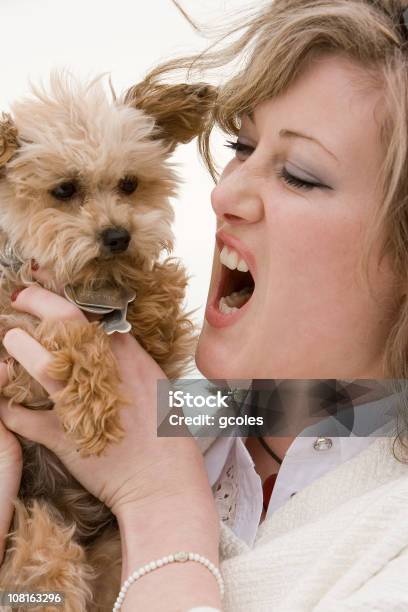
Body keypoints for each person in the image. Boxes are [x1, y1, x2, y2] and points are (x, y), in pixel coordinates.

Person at [1, 0, 408, 609]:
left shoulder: (386, 541)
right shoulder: (193, 412)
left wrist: (157, 498)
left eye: (300, 173)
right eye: (240, 146)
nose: (223, 192)